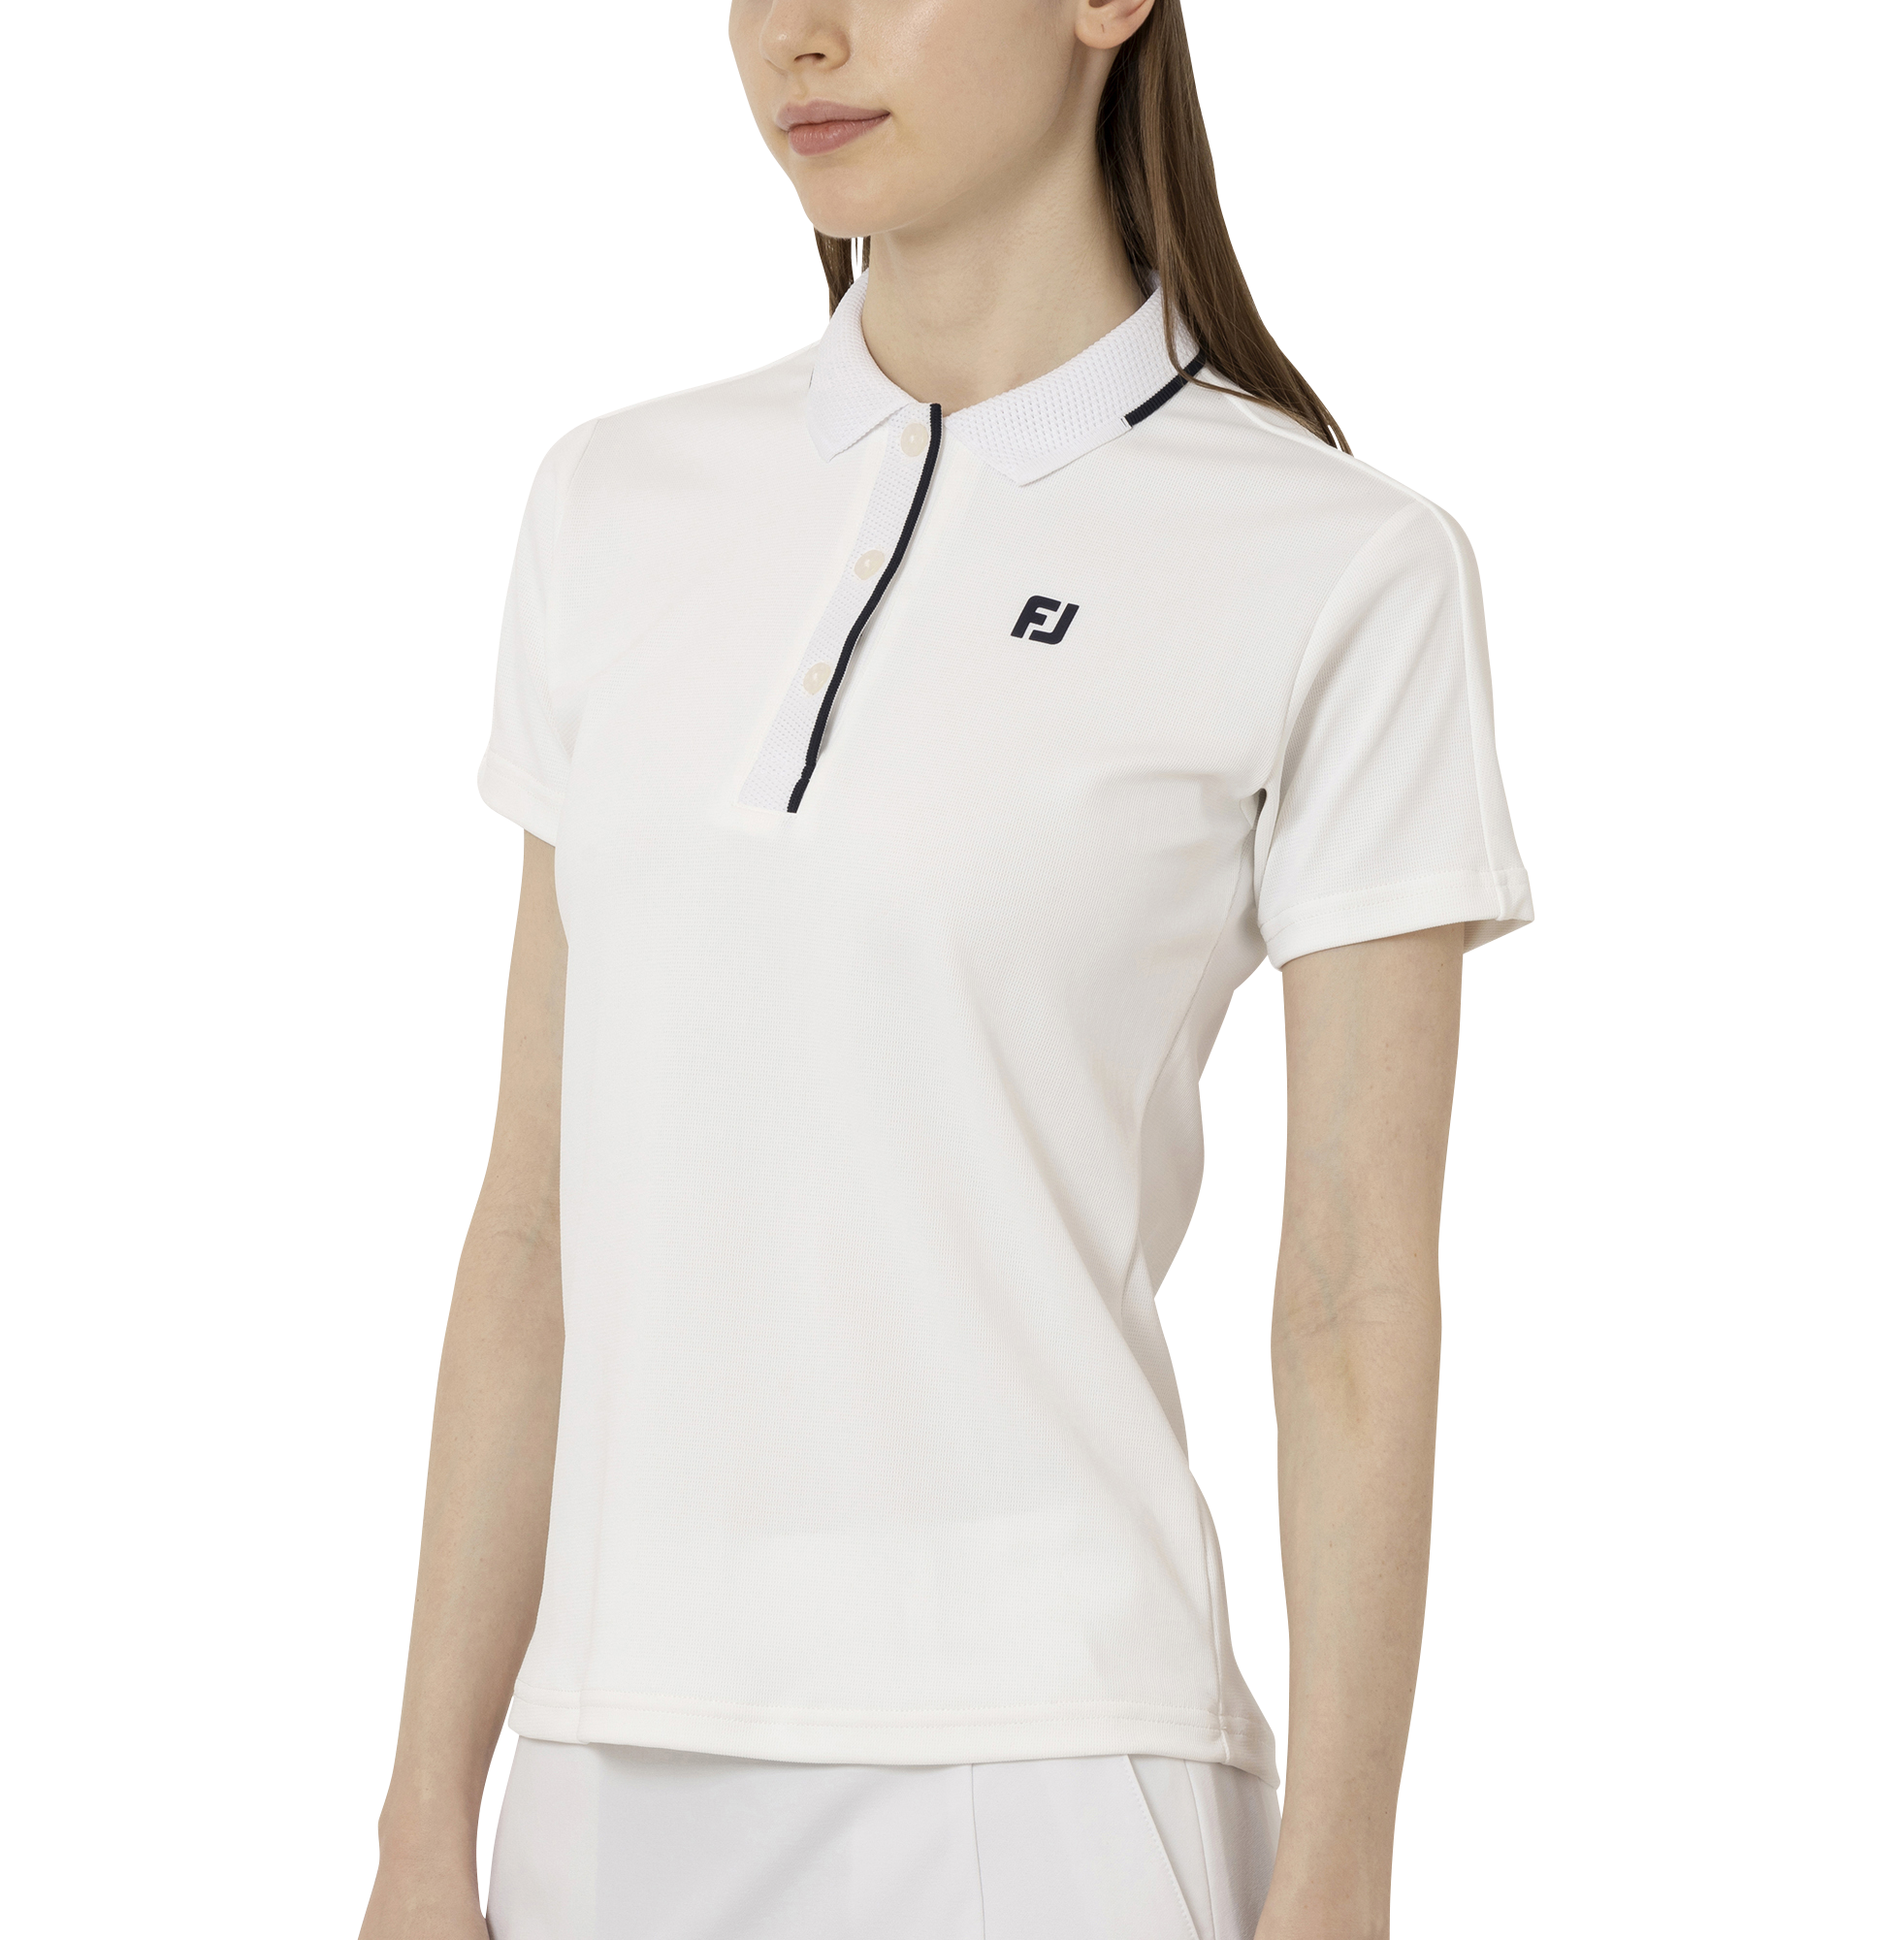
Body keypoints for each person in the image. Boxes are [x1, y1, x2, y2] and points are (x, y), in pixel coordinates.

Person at [361, 0, 1533, 1934]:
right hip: (598, 1776)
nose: (798, 38)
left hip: (1047, 1772)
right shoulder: (618, 507)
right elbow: (528, 1226)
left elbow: (1352, 1291)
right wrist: (423, 1817)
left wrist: (1340, 1874)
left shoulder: (1335, 563)